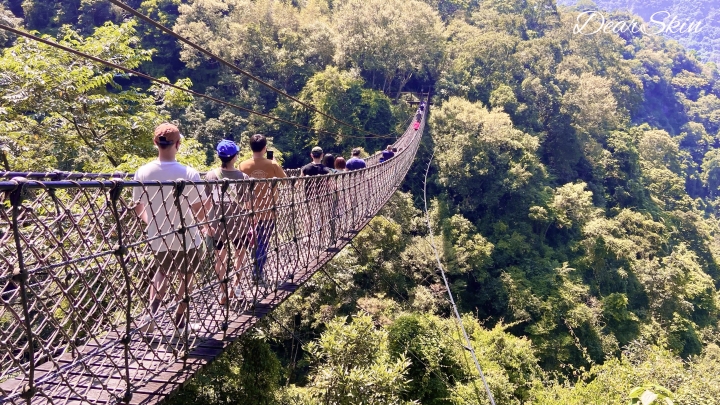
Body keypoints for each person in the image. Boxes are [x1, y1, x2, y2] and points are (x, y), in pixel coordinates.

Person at [133, 123, 210, 334]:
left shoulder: (142, 172)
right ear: (178, 144)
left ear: (155, 142)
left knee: (161, 273)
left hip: (159, 235)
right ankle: (179, 324)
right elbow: (201, 211)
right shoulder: (190, 173)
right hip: (187, 236)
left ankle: (150, 316)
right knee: (187, 277)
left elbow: (138, 206)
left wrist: (153, 223)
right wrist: (207, 216)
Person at [204, 139, 252, 305]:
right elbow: (247, 204)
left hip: (217, 224)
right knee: (240, 255)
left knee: (220, 259)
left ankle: (223, 292)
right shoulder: (243, 177)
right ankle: (235, 287)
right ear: (235, 157)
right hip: (239, 224)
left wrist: (206, 225)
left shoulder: (210, 175)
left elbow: (207, 202)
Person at [239, 134, 287, 287]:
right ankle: (257, 272)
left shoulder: (242, 165)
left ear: (250, 147)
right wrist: (274, 164)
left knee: (253, 243)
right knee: (263, 243)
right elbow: (285, 181)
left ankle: (253, 270)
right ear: (265, 148)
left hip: (249, 211)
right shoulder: (272, 164)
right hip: (268, 211)